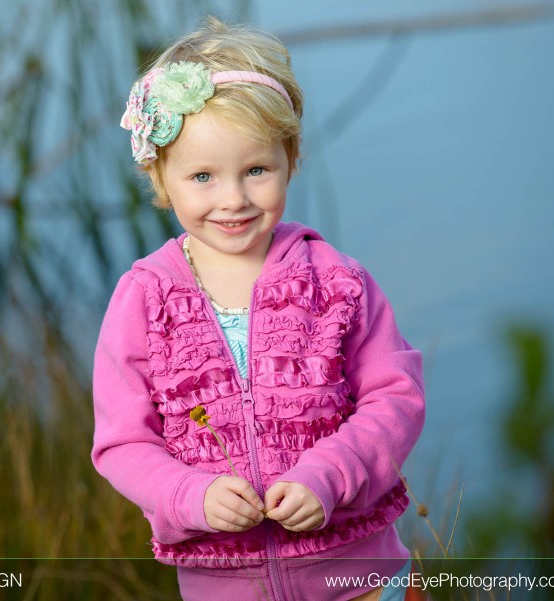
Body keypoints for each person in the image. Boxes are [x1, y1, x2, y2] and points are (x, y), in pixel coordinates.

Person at [92, 16, 426, 601]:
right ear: (161, 177)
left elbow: (394, 398)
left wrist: (329, 476)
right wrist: (188, 495)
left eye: (256, 171)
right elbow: (123, 442)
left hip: (361, 579)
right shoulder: (144, 299)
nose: (234, 200)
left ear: (290, 158)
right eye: (202, 176)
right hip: (225, 586)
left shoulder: (336, 282)